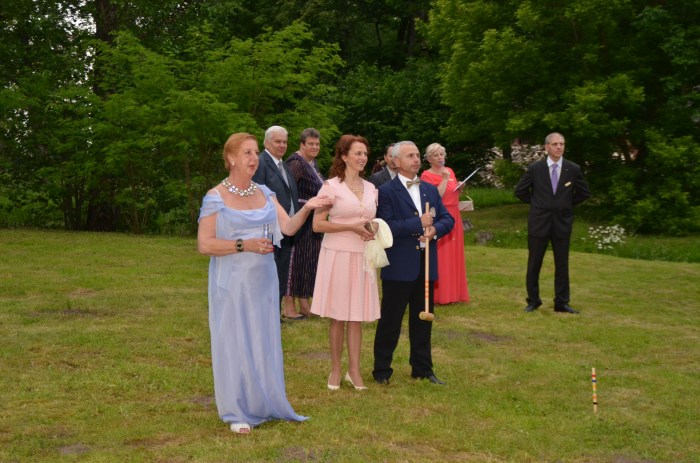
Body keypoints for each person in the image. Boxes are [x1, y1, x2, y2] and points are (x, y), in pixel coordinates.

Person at [197, 132, 331, 434]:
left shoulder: (266, 193)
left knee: (262, 340)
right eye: (246, 152)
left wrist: (308, 207)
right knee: (234, 341)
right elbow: (204, 244)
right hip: (231, 283)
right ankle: (236, 410)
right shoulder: (215, 196)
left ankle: (262, 403)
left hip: (264, 282)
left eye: (255, 152)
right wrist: (243, 245)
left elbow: (288, 227)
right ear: (231, 158)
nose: (254, 158)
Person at [373, 141, 454, 386]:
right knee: (390, 321)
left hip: (425, 265)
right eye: (410, 156)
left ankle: (422, 369)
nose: (416, 159)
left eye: (418, 155)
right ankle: (382, 371)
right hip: (399, 266)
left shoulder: (429, 189)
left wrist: (434, 231)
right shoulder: (386, 191)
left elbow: (447, 219)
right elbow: (387, 226)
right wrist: (419, 223)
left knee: (423, 319)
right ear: (396, 161)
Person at [311, 134, 381, 391]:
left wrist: (374, 227)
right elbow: (318, 225)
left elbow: (370, 218)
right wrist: (350, 227)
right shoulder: (330, 187)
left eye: (365, 153)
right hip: (338, 254)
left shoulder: (371, 188)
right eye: (358, 153)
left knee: (356, 316)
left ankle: (354, 371)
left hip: (362, 255)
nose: (363, 158)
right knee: (338, 316)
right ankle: (336, 369)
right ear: (344, 156)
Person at [514, 132, 591, 314]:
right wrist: (538, 204)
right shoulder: (535, 168)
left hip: (562, 223)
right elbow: (520, 191)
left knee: (562, 264)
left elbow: (584, 193)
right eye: (555, 144)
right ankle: (533, 300)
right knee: (534, 263)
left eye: (562, 144)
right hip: (539, 222)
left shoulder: (573, 169)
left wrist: (566, 205)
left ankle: (561, 303)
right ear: (547, 147)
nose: (559, 147)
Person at [252, 126, 301, 320]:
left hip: (286, 231)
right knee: (267, 275)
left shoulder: (283, 165)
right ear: (266, 143)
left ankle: (273, 315)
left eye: (284, 142)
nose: (282, 145)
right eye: (277, 141)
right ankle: (264, 315)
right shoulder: (260, 163)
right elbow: (256, 197)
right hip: (269, 231)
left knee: (280, 274)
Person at [420, 143, 470, 304]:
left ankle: (456, 293)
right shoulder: (426, 176)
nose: (440, 157)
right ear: (429, 159)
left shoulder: (450, 170)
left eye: (442, 154)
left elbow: (452, 192)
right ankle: (441, 295)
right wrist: (445, 179)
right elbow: (435, 197)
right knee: (442, 255)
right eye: (436, 155)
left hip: (454, 214)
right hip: (440, 216)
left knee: (455, 254)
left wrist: (459, 187)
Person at [283, 128, 325, 318]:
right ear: (302, 145)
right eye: (310, 144)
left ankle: (304, 303)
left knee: (307, 261)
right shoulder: (296, 163)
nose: (315, 147)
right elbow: (286, 190)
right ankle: (288, 306)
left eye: (317, 144)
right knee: (295, 260)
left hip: (312, 218)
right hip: (299, 217)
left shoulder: (312, 163)